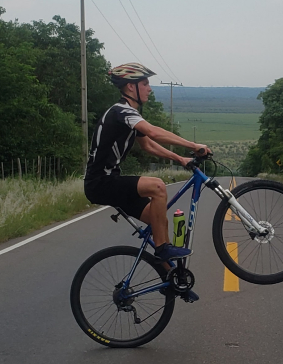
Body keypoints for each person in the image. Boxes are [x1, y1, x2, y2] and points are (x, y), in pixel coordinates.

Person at [84, 62, 212, 263]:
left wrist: (181, 159)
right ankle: (162, 248)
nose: (150, 88)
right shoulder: (122, 112)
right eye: (145, 83)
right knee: (158, 187)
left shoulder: (129, 116)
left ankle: (172, 278)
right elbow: (153, 131)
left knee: (158, 219)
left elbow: (148, 145)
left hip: (110, 181)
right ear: (130, 87)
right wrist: (194, 145)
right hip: (101, 183)